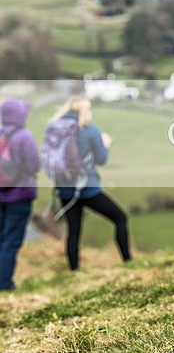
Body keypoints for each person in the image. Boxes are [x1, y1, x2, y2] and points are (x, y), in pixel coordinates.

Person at [51, 95, 131, 271]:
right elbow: (101, 159)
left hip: (65, 189)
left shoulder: (55, 130)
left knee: (73, 230)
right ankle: (128, 261)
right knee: (120, 218)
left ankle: (74, 271)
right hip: (88, 189)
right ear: (85, 111)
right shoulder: (90, 130)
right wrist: (105, 144)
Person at [0, 99, 41, 291]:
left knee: (2, 237)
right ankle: (4, 284)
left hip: (1, 194)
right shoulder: (24, 136)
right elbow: (34, 166)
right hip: (20, 194)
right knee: (12, 240)